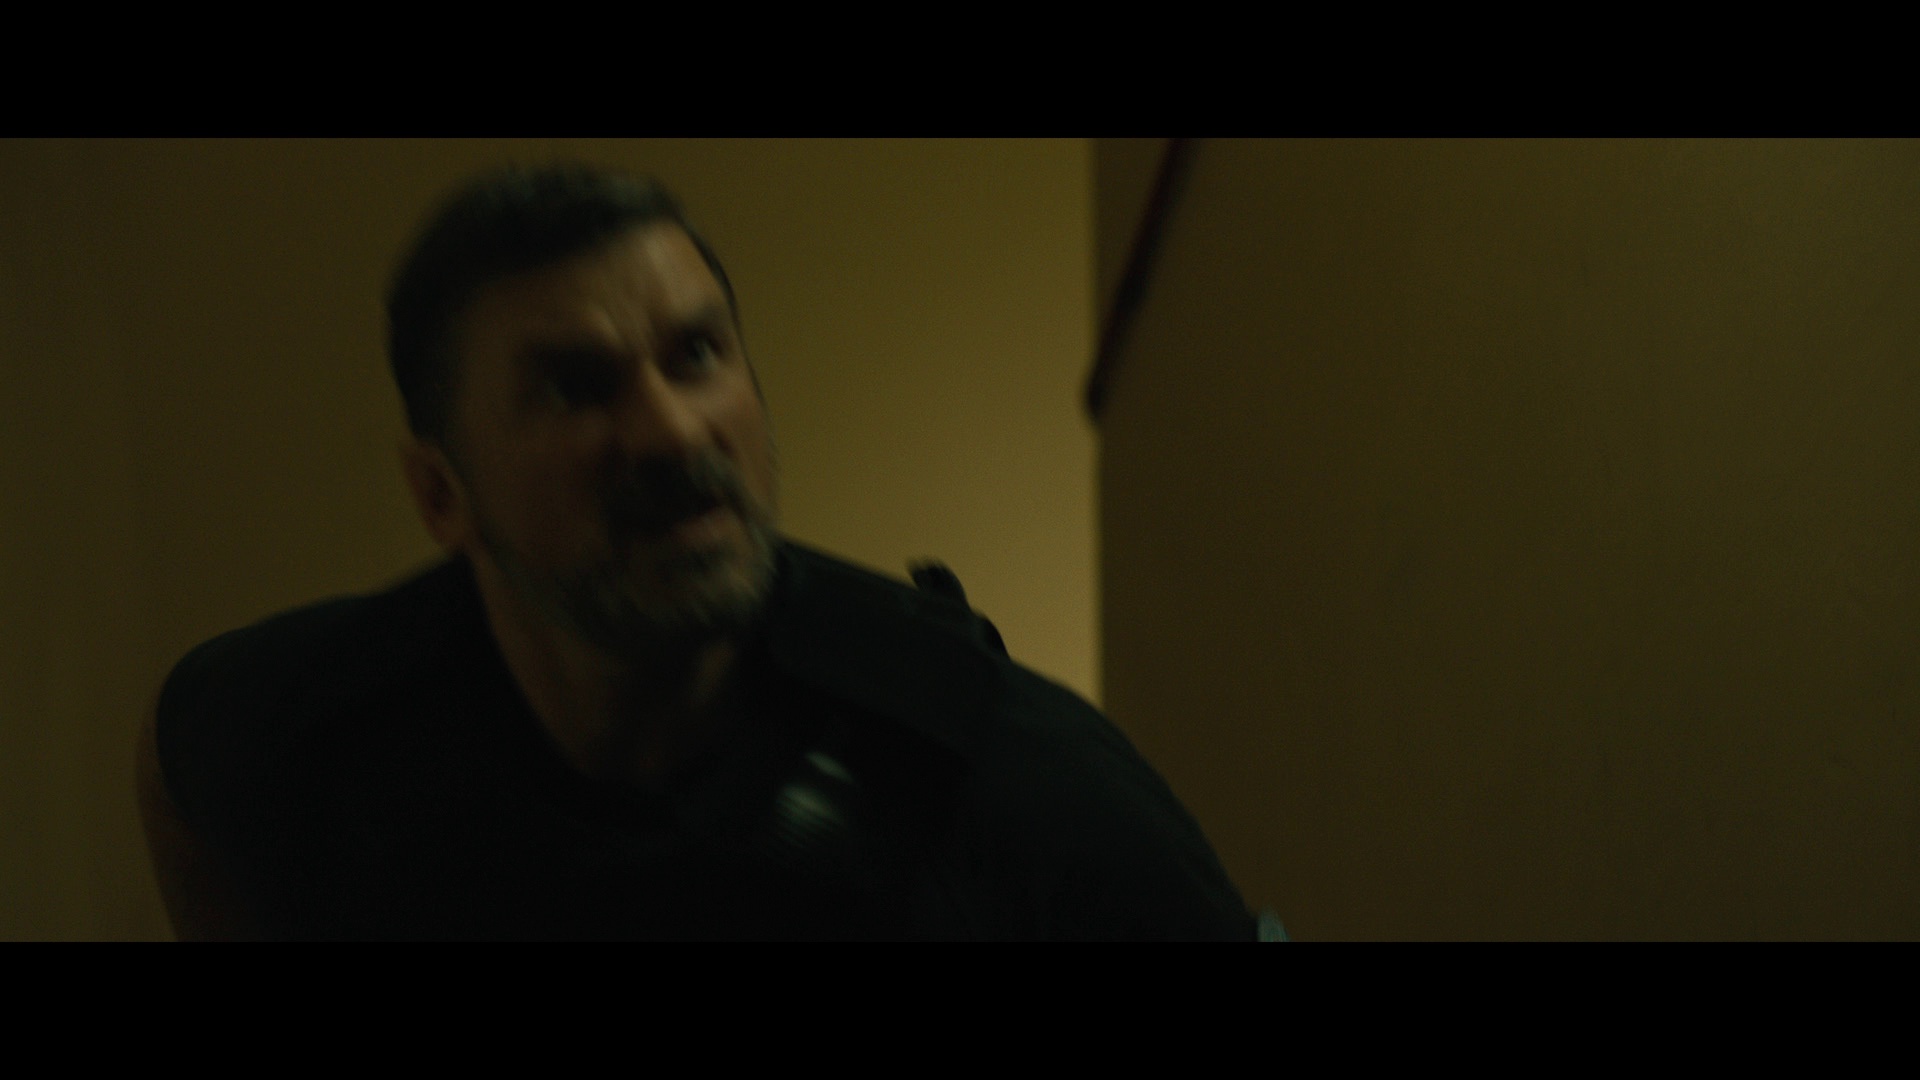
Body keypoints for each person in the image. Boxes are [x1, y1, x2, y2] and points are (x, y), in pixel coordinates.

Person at [136, 164, 1259, 940]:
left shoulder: (986, 765)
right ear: (442, 493)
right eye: (574, 387)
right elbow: (177, 766)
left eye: (697, 356)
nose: (671, 433)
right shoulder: (316, 715)